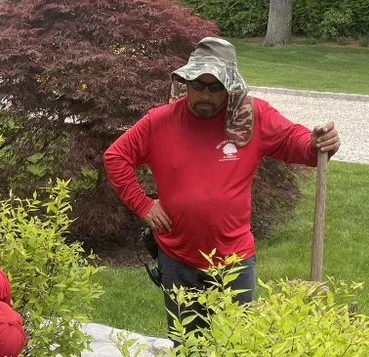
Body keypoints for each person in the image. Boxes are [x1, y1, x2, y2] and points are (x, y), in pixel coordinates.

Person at [104, 37, 341, 331]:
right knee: (186, 347)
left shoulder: (251, 117)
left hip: (234, 261)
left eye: (215, 87)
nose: (205, 94)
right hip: (178, 259)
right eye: (198, 85)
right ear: (186, 83)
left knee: (235, 346)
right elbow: (116, 156)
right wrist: (143, 205)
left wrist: (317, 143)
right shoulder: (160, 122)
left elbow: (297, 144)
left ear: (230, 87)